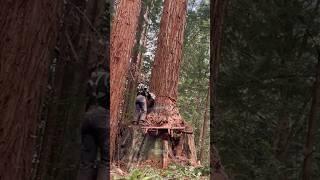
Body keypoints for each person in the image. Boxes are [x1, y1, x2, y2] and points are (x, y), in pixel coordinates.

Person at [77, 65, 109, 180]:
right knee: (106, 162)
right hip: (104, 117)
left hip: (88, 116)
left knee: (86, 162)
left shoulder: (91, 77)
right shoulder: (107, 78)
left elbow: (85, 96)